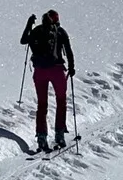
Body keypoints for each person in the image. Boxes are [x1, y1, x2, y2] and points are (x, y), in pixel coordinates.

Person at [21, 10, 75, 153]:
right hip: (57, 71)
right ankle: (59, 134)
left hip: (40, 72)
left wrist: (29, 25)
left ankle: (41, 137)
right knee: (61, 101)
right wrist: (71, 67)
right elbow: (68, 51)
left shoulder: (37, 30)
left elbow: (23, 41)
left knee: (42, 104)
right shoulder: (60, 32)